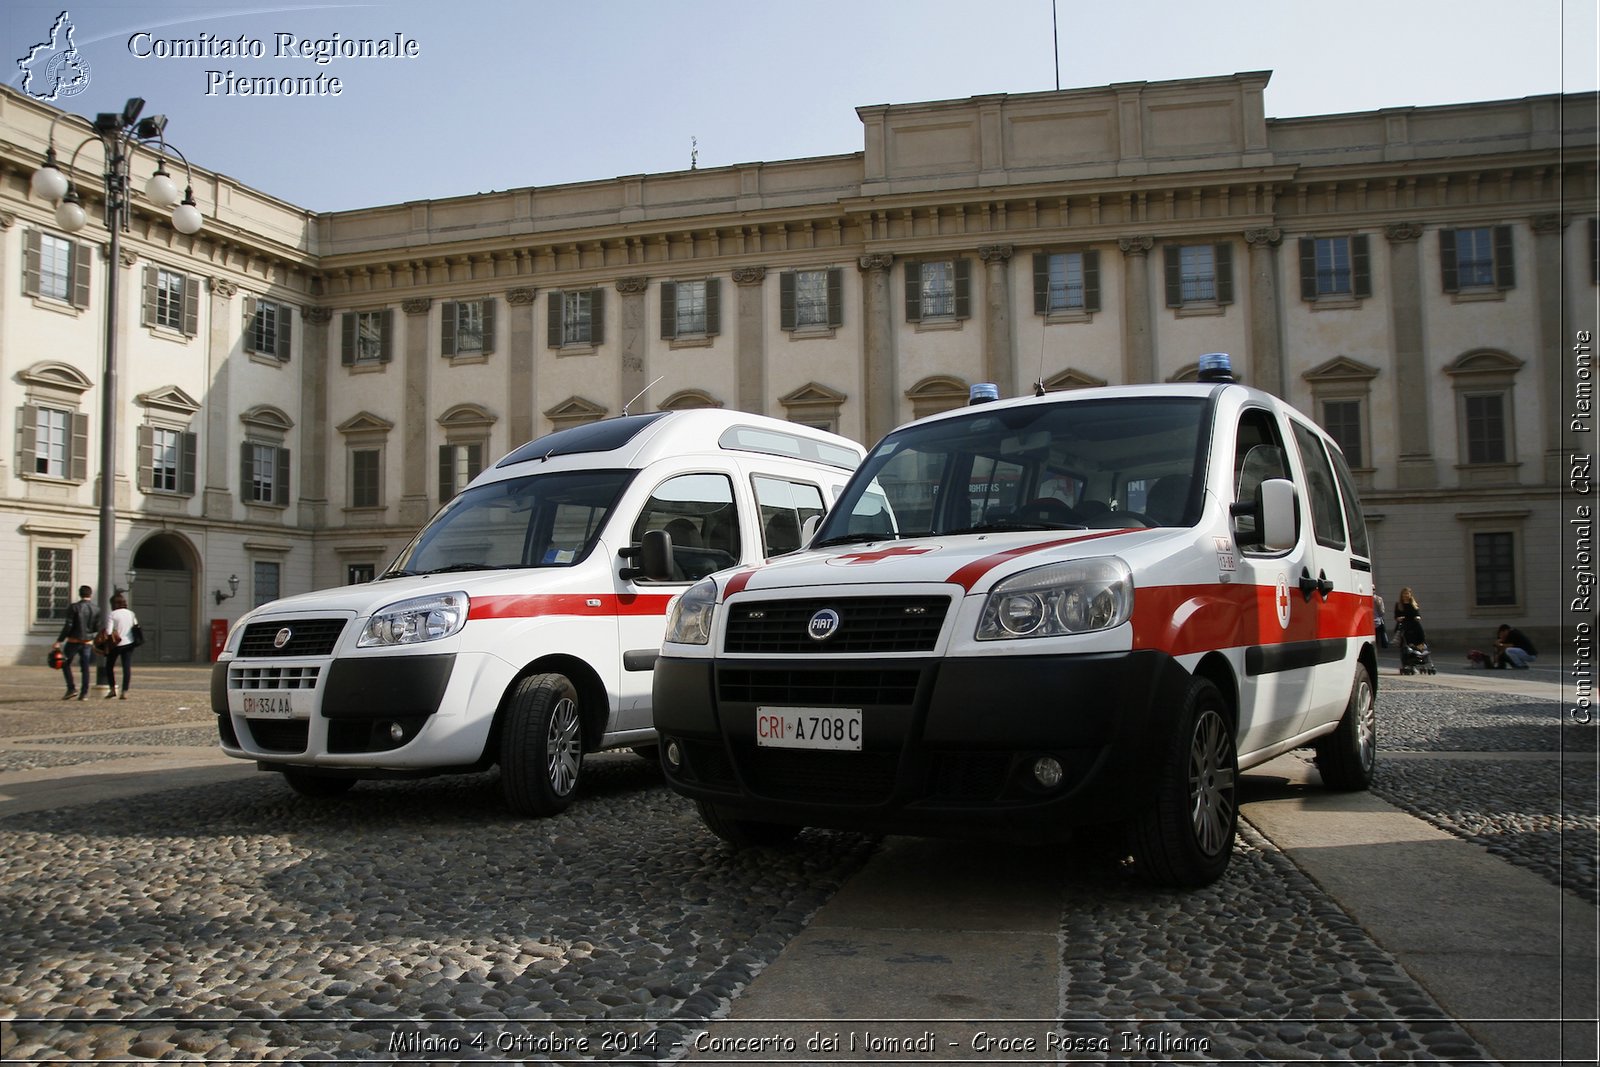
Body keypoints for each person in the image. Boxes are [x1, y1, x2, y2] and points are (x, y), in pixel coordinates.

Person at [52, 585, 100, 700]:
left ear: (80, 594)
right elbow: (96, 627)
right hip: (87, 641)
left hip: (74, 641)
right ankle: (84, 693)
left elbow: (68, 625)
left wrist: (59, 640)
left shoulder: (74, 607)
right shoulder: (96, 609)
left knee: (65, 663)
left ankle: (71, 688)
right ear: (90, 594)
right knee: (85, 668)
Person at [103, 592, 138, 698]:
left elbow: (109, 632)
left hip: (116, 644)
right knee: (126, 667)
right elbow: (135, 625)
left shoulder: (113, 614)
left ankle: (112, 689)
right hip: (129, 642)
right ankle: (125, 691)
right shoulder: (131, 613)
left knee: (109, 666)